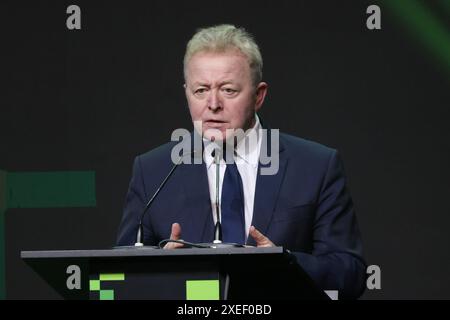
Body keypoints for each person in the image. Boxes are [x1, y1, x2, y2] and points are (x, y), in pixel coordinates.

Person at [116, 24, 366, 299]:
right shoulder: (152, 171)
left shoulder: (316, 166)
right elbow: (118, 283)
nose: (212, 104)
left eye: (228, 90)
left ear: (259, 95)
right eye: (200, 90)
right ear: (187, 92)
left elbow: (349, 274)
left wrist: (284, 264)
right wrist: (160, 270)